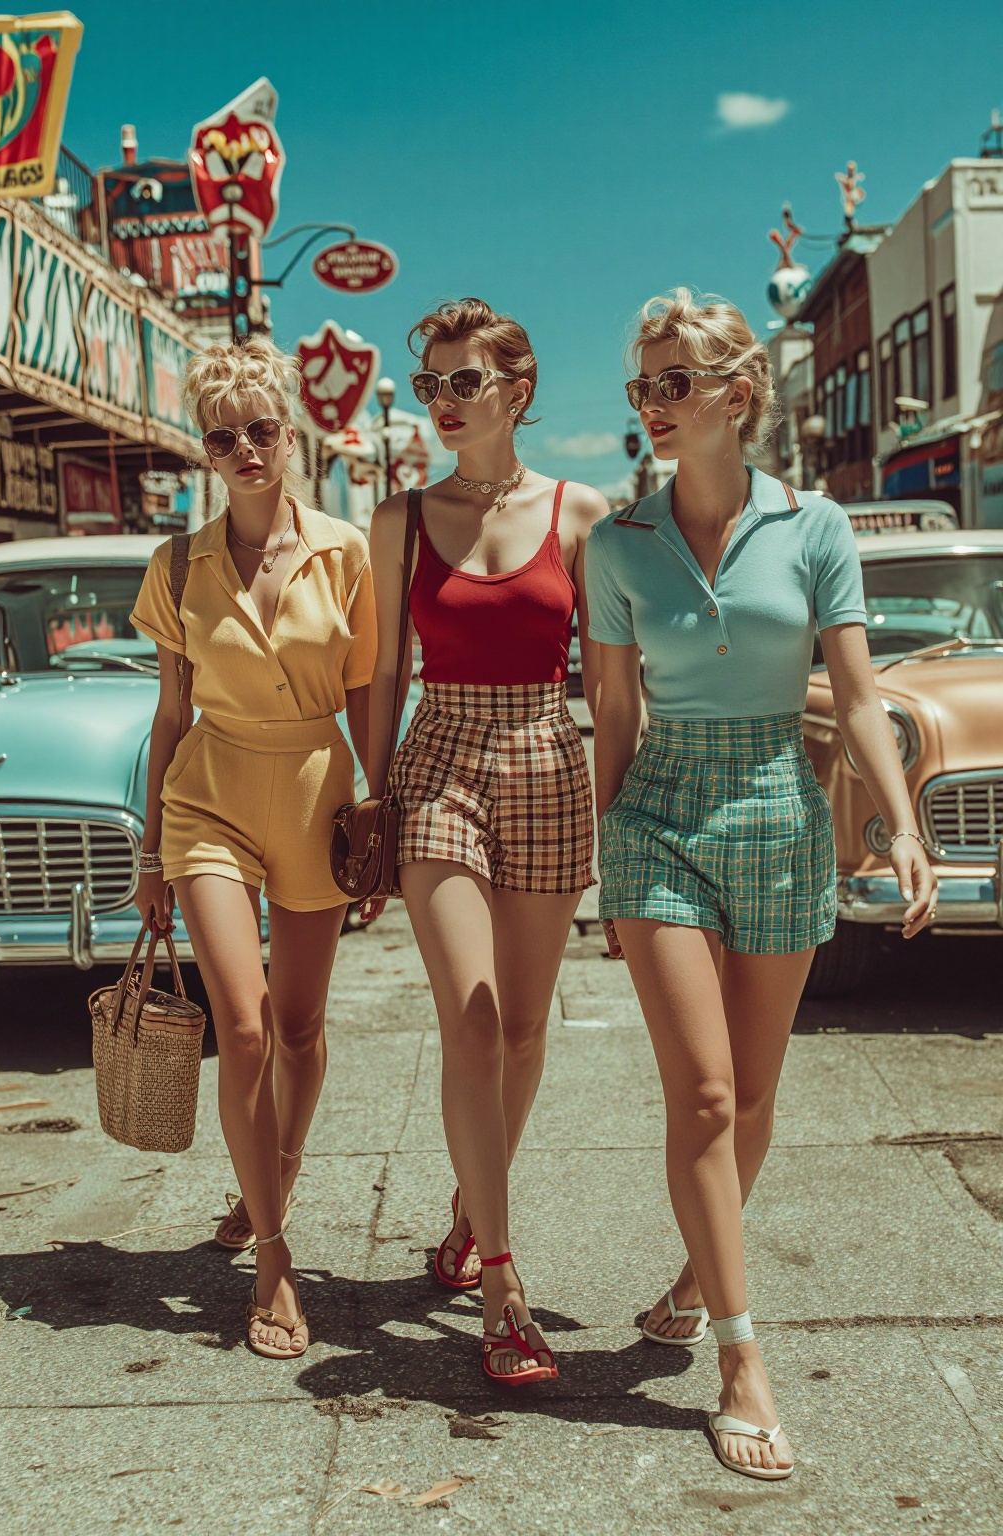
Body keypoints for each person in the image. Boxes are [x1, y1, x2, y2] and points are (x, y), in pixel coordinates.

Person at [586, 289, 936, 1476]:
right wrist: (609, 866)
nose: (652, 404)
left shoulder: (815, 527)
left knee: (753, 1094)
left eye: (674, 382)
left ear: (738, 394)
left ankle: (696, 1277)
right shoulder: (616, 545)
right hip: (659, 819)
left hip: (782, 811)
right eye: (642, 385)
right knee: (702, 1097)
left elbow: (862, 695)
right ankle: (742, 1362)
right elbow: (614, 716)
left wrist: (900, 825)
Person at [363, 298, 607, 1383]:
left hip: (548, 756)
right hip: (440, 762)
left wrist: (622, 800)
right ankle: (502, 1287)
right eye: (432, 385)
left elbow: (611, 681)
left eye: (465, 381)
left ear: (519, 388)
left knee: (525, 1028)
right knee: (474, 1018)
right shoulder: (400, 519)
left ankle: (472, 1206)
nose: (445, 402)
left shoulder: (581, 512)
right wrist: (375, 800)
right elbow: (385, 673)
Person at [131, 338, 376, 1360]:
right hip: (212, 800)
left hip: (316, 792)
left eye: (260, 430)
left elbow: (366, 696)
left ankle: (272, 1171)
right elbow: (168, 716)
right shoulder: (175, 565)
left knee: (301, 1026)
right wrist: (151, 853)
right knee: (243, 1026)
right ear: (205, 450)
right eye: (221, 437)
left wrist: (378, 815)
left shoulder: (345, 552)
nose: (244, 450)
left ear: (290, 435)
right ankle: (274, 1260)